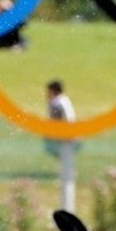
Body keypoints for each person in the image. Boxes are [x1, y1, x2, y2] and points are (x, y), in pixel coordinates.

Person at [46, 79, 81, 210]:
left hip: (65, 134)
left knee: (64, 157)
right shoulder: (64, 100)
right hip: (69, 132)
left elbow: (55, 118)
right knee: (65, 157)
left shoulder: (57, 102)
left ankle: (67, 174)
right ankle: (67, 173)